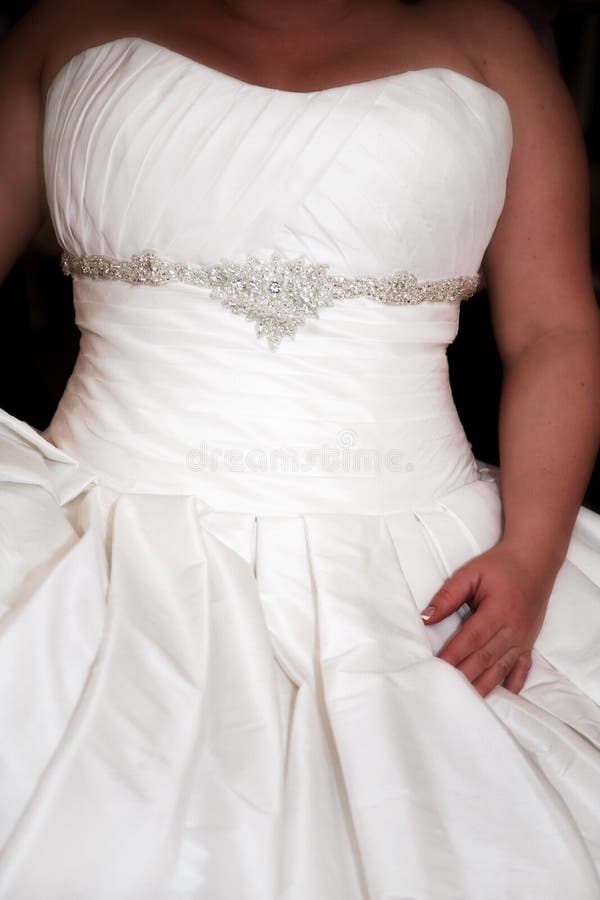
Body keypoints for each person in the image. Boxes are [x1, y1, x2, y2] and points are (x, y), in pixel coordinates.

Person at [0, 0, 599, 897]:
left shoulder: (489, 40)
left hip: (424, 566)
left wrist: (534, 552)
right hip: (91, 541)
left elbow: (553, 327)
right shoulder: (64, 24)